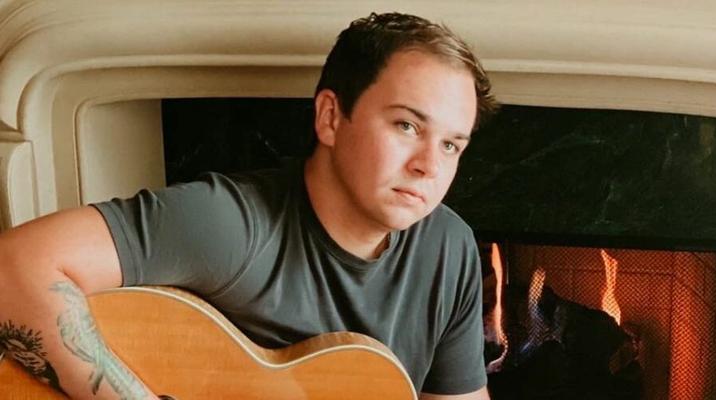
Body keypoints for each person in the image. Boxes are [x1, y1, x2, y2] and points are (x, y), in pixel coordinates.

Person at [0, 12, 497, 400]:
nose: (429, 165)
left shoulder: (447, 249)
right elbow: (10, 266)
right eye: (406, 126)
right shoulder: (228, 223)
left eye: (452, 144)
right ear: (330, 117)